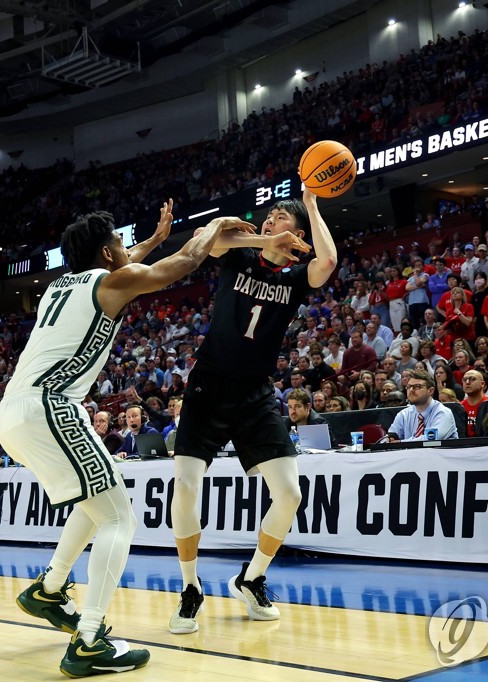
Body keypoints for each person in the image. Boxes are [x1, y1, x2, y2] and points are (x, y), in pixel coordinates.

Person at [1, 203, 254, 676]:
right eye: (118, 243)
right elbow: (176, 268)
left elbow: (128, 259)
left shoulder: (63, 284)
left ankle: (50, 588)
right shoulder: (109, 282)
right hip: (51, 405)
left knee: (96, 503)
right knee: (120, 518)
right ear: (104, 251)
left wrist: (154, 239)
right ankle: (91, 640)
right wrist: (214, 227)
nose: (125, 250)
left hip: (15, 413)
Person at [169, 191, 335, 635]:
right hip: (208, 384)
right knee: (185, 487)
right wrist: (267, 240)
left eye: (279, 217)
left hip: (255, 393)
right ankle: (190, 588)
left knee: (290, 495)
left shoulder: (298, 277)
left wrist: (312, 207)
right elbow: (213, 241)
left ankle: (252, 576)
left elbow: (328, 262)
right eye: (267, 217)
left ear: (298, 234)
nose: (267, 222)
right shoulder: (238, 255)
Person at [386, 369, 458, 442]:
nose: (411, 390)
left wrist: (401, 443)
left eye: (417, 386)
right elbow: (390, 436)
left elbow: (430, 440)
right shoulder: (404, 414)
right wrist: (388, 440)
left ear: (430, 391)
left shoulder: (443, 413)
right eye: (409, 386)